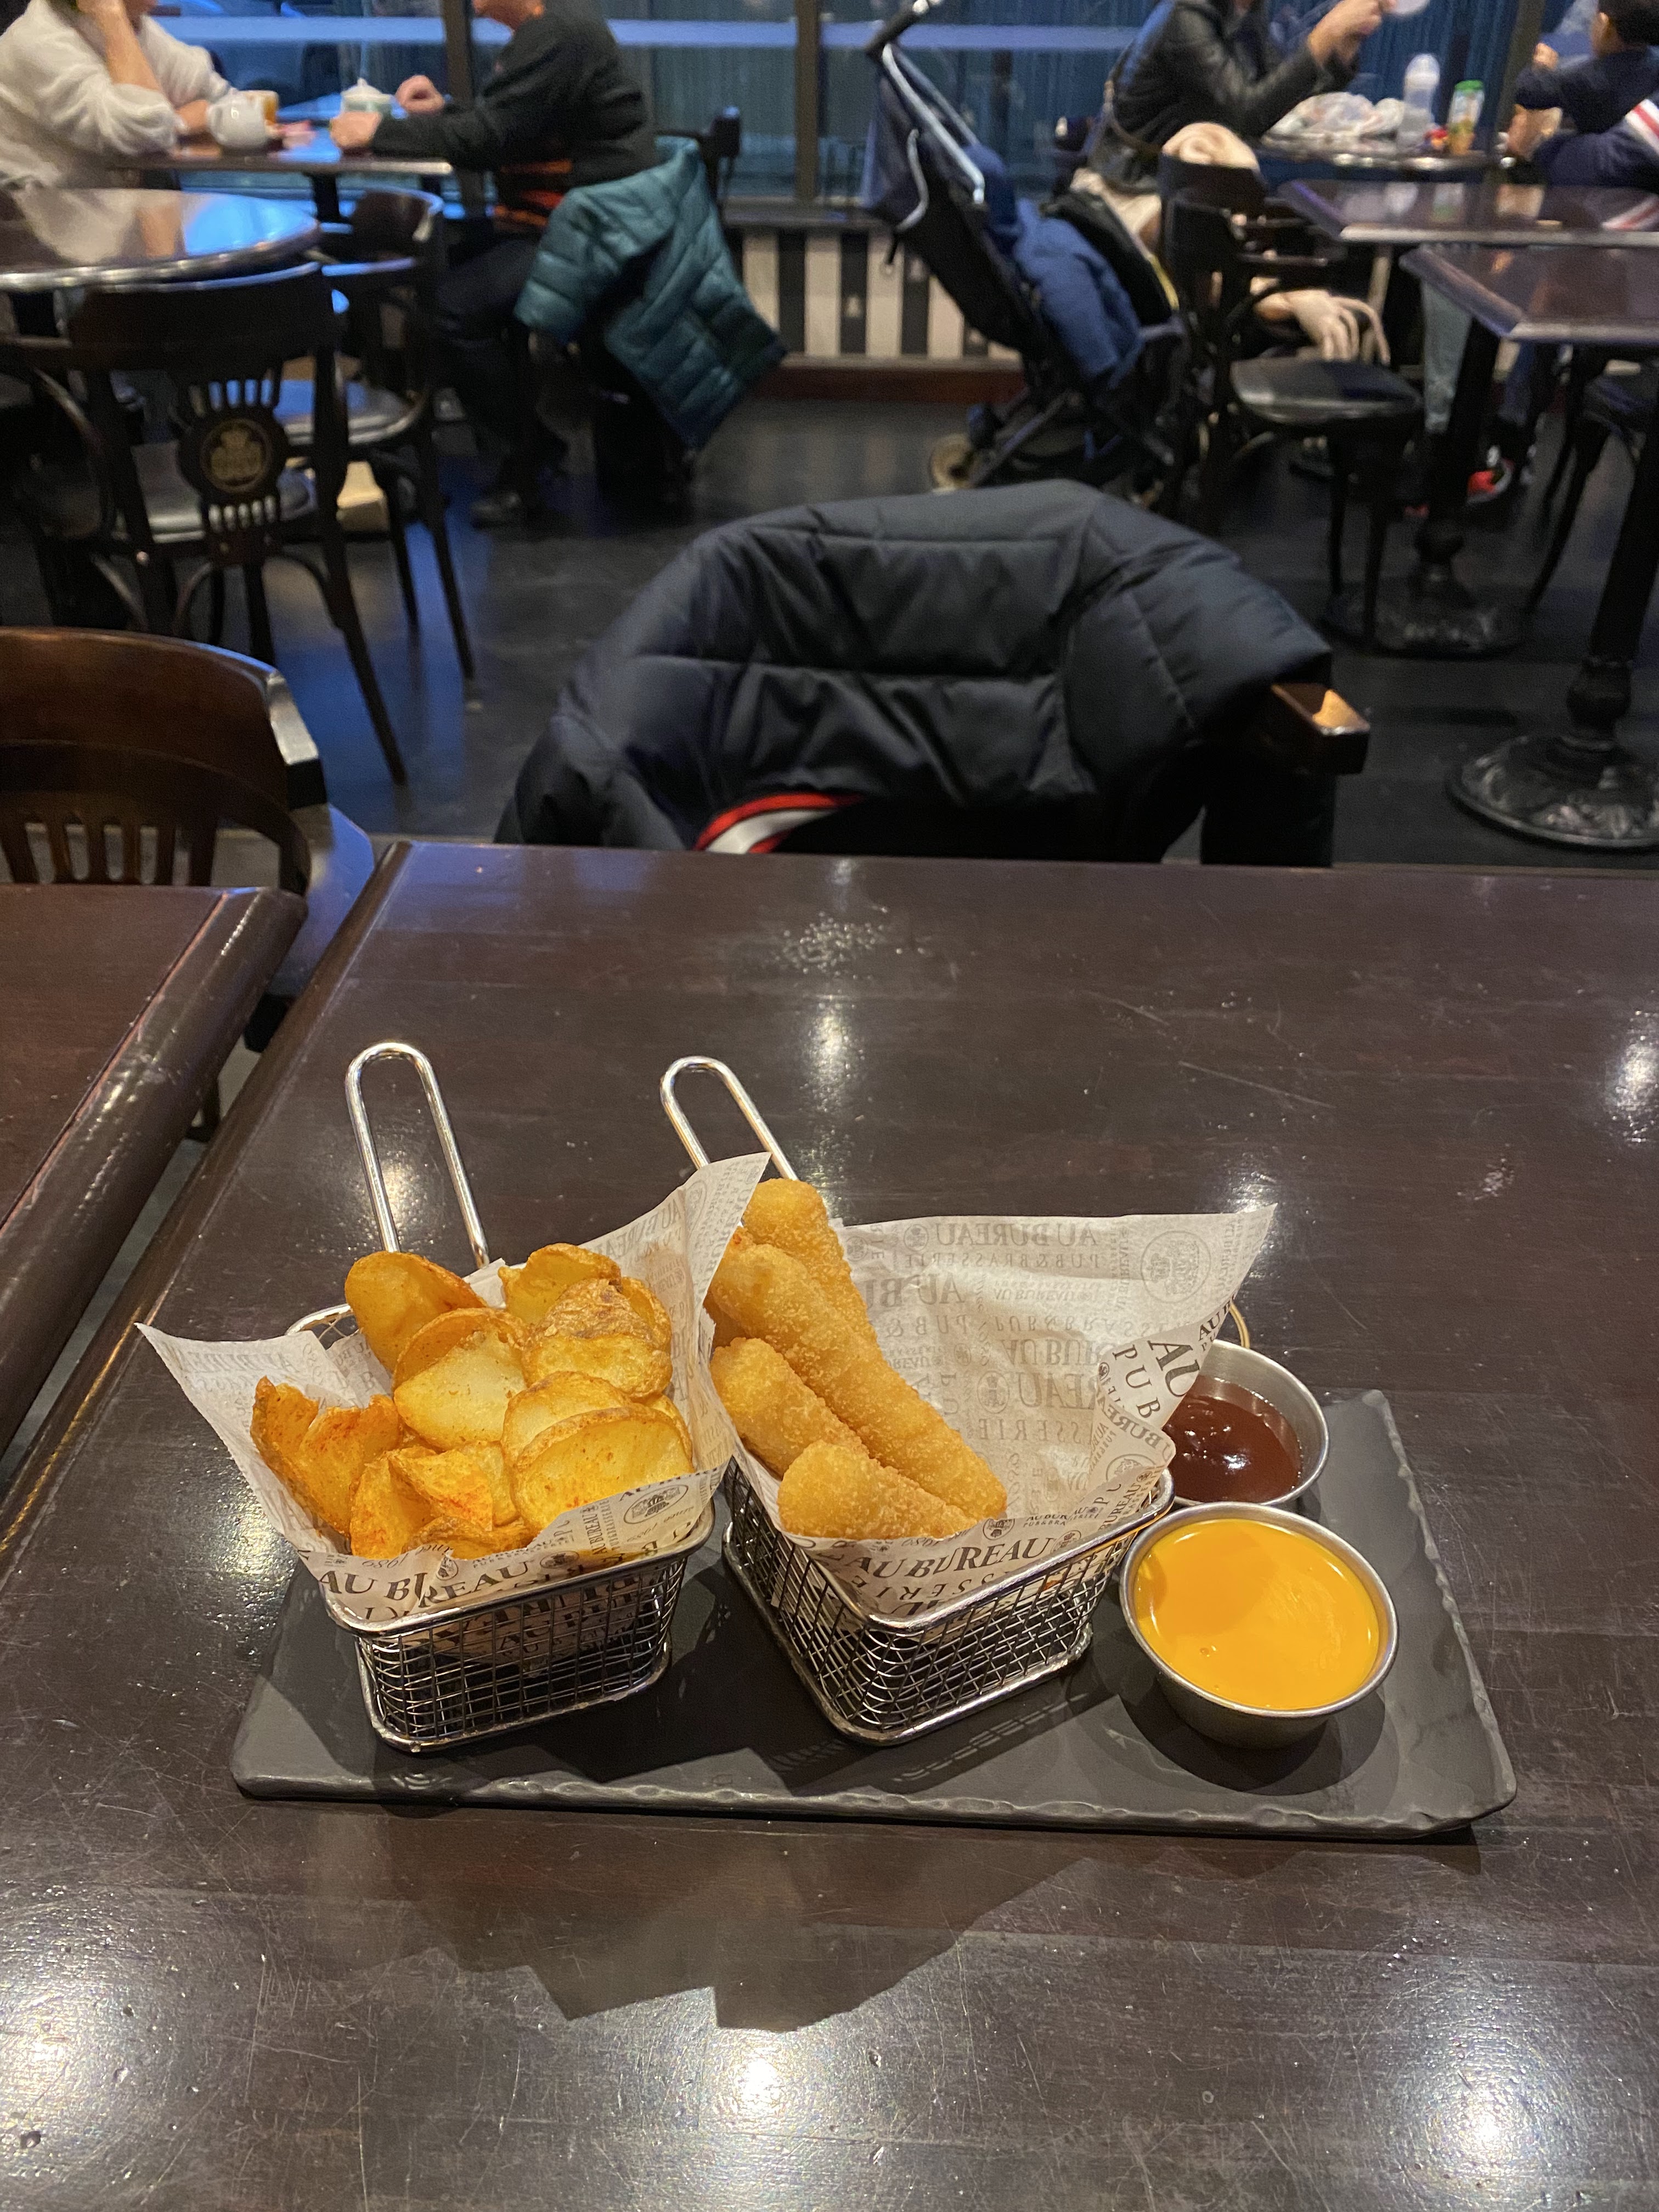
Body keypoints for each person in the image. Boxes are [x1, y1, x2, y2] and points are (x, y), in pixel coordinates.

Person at [332, 0, 655, 527]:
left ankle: (527, 457)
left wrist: (380, 133)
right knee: (436, 268)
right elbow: (512, 121)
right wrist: (446, 113)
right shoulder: (552, 30)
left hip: (587, 234)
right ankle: (481, 439)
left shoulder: (556, 34)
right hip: (569, 219)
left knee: (452, 307)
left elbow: (490, 139)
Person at [1093, 0, 1385, 187]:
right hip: (1135, 181)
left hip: (1194, 175)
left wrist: (1342, 45)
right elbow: (1247, 115)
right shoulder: (1185, 15)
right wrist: (1327, 33)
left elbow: (1279, 98)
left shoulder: (1247, 10)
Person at [0, 0, 226, 188]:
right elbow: (145, 132)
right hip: (29, 217)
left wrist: (174, 125)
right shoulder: (37, 41)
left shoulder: (136, 26)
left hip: (112, 210)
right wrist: (179, 124)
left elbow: (225, 100)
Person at [1510, 0, 1659, 138]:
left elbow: (1526, 90)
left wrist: (1542, 66)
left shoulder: (1588, 80)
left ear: (1604, 25)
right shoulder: (1653, 64)